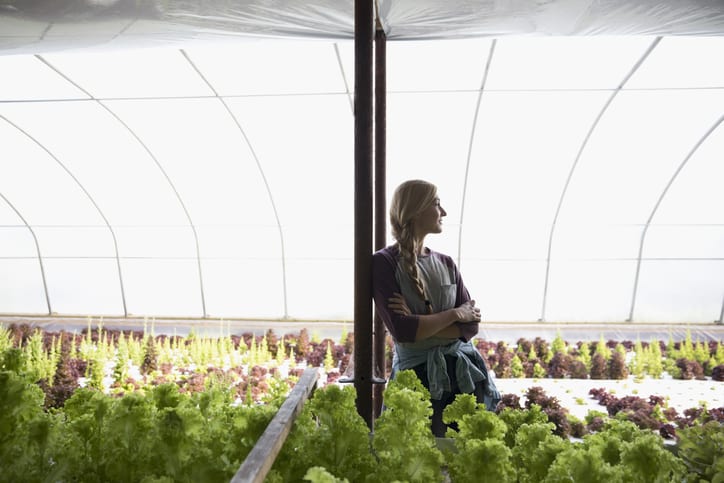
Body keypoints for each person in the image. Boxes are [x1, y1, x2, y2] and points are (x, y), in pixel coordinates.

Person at [372, 179, 500, 437]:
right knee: (419, 463)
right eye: (437, 204)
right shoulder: (383, 263)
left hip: (463, 377)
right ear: (416, 209)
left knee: (461, 460)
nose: (443, 213)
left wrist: (423, 321)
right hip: (416, 381)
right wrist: (453, 314)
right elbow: (403, 331)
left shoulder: (446, 262)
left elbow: (470, 327)